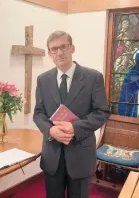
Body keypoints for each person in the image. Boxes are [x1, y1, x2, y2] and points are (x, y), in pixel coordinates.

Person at [33, 31, 110, 198]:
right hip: (52, 155)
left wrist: (75, 127)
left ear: (72, 48)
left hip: (81, 154)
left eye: (63, 47)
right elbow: (38, 113)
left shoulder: (93, 77)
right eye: (54, 49)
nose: (59, 52)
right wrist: (50, 130)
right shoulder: (43, 79)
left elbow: (102, 112)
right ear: (49, 53)